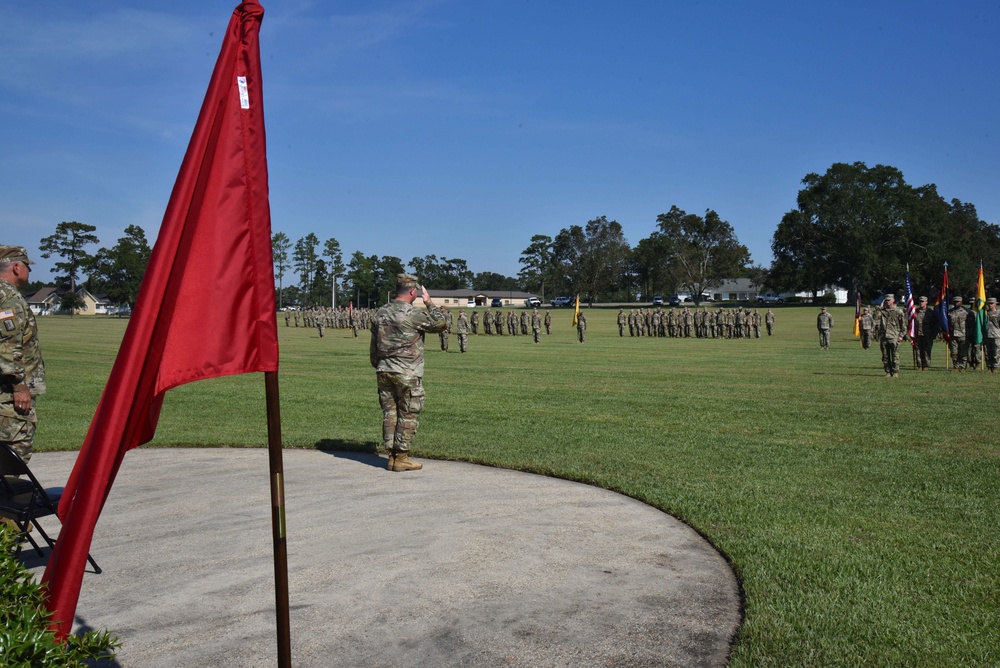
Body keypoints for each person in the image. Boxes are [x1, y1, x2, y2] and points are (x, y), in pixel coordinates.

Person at [370, 274, 447, 472]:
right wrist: (429, 303)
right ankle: (402, 457)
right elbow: (441, 324)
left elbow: (374, 346)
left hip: (384, 370)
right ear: (413, 292)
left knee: (390, 413)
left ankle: (391, 456)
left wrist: (378, 364)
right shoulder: (413, 313)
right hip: (406, 372)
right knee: (408, 413)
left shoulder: (381, 312)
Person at [0, 246, 46, 464]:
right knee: (12, 458)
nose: (30, 270)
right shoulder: (9, 299)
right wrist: (19, 387)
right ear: (16, 267)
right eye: (28, 266)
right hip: (7, 397)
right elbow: (8, 347)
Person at [876, 294, 906, 377]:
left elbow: (903, 325)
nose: (887, 301)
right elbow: (875, 317)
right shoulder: (883, 311)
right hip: (884, 336)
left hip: (894, 336)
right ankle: (888, 372)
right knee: (885, 356)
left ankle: (895, 371)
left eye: (889, 300)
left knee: (895, 355)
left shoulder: (898, 311)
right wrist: (880, 307)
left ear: (893, 300)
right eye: (886, 300)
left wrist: (901, 336)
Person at [912, 296, 937, 370]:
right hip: (917, 335)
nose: (921, 303)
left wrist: (934, 334)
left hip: (927, 335)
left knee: (927, 351)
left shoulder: (930, 312)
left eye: (923, 301)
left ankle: (926, 365)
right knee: (918, 351)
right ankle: (919, 365)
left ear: (926, 302)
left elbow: (935, 324)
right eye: (920, 301)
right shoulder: (915, 312)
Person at [948, 296, 970, 371]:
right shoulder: (949, 312)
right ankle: (956, 366)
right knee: (954, 352)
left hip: (963, 335)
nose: (956, 303)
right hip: (953, 335)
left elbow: (970, 324)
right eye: (955, 301)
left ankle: (962, 366)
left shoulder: (967, 312)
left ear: (961, 302)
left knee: (963, 352)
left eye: (958, 301)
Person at [985, 298, 1000, 373]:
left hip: (996, 335)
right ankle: (989, 366)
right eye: (989, 303)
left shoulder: (998, 313)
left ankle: (995, 367)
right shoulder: (985, 313)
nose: (990, 305)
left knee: (996, 352)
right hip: (987, 335)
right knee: (988, 352)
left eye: (991, 303)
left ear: (995, 304)